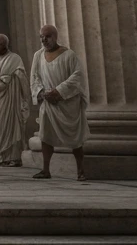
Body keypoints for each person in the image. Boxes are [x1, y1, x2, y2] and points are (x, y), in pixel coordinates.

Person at [30, 24, 89, 181]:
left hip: (66, 103)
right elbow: (34, 77)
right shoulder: (38, 55)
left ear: (55, 37)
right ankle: (45, 169)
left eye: (47, 36)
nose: (44, 39)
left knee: (75, 139)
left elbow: (77, 76)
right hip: (48, 103)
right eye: (42, 37)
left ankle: (81, 170)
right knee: (45, 135)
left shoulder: (69, 55)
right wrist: (41, 92)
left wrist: (59, 91)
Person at [0, 33, 30, 166]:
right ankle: (0, 157)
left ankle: (13, 157)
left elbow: (22, 78)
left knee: (11, 126)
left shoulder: (14, 58)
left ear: (6, 45)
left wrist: (25, 97)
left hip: (11, 99)